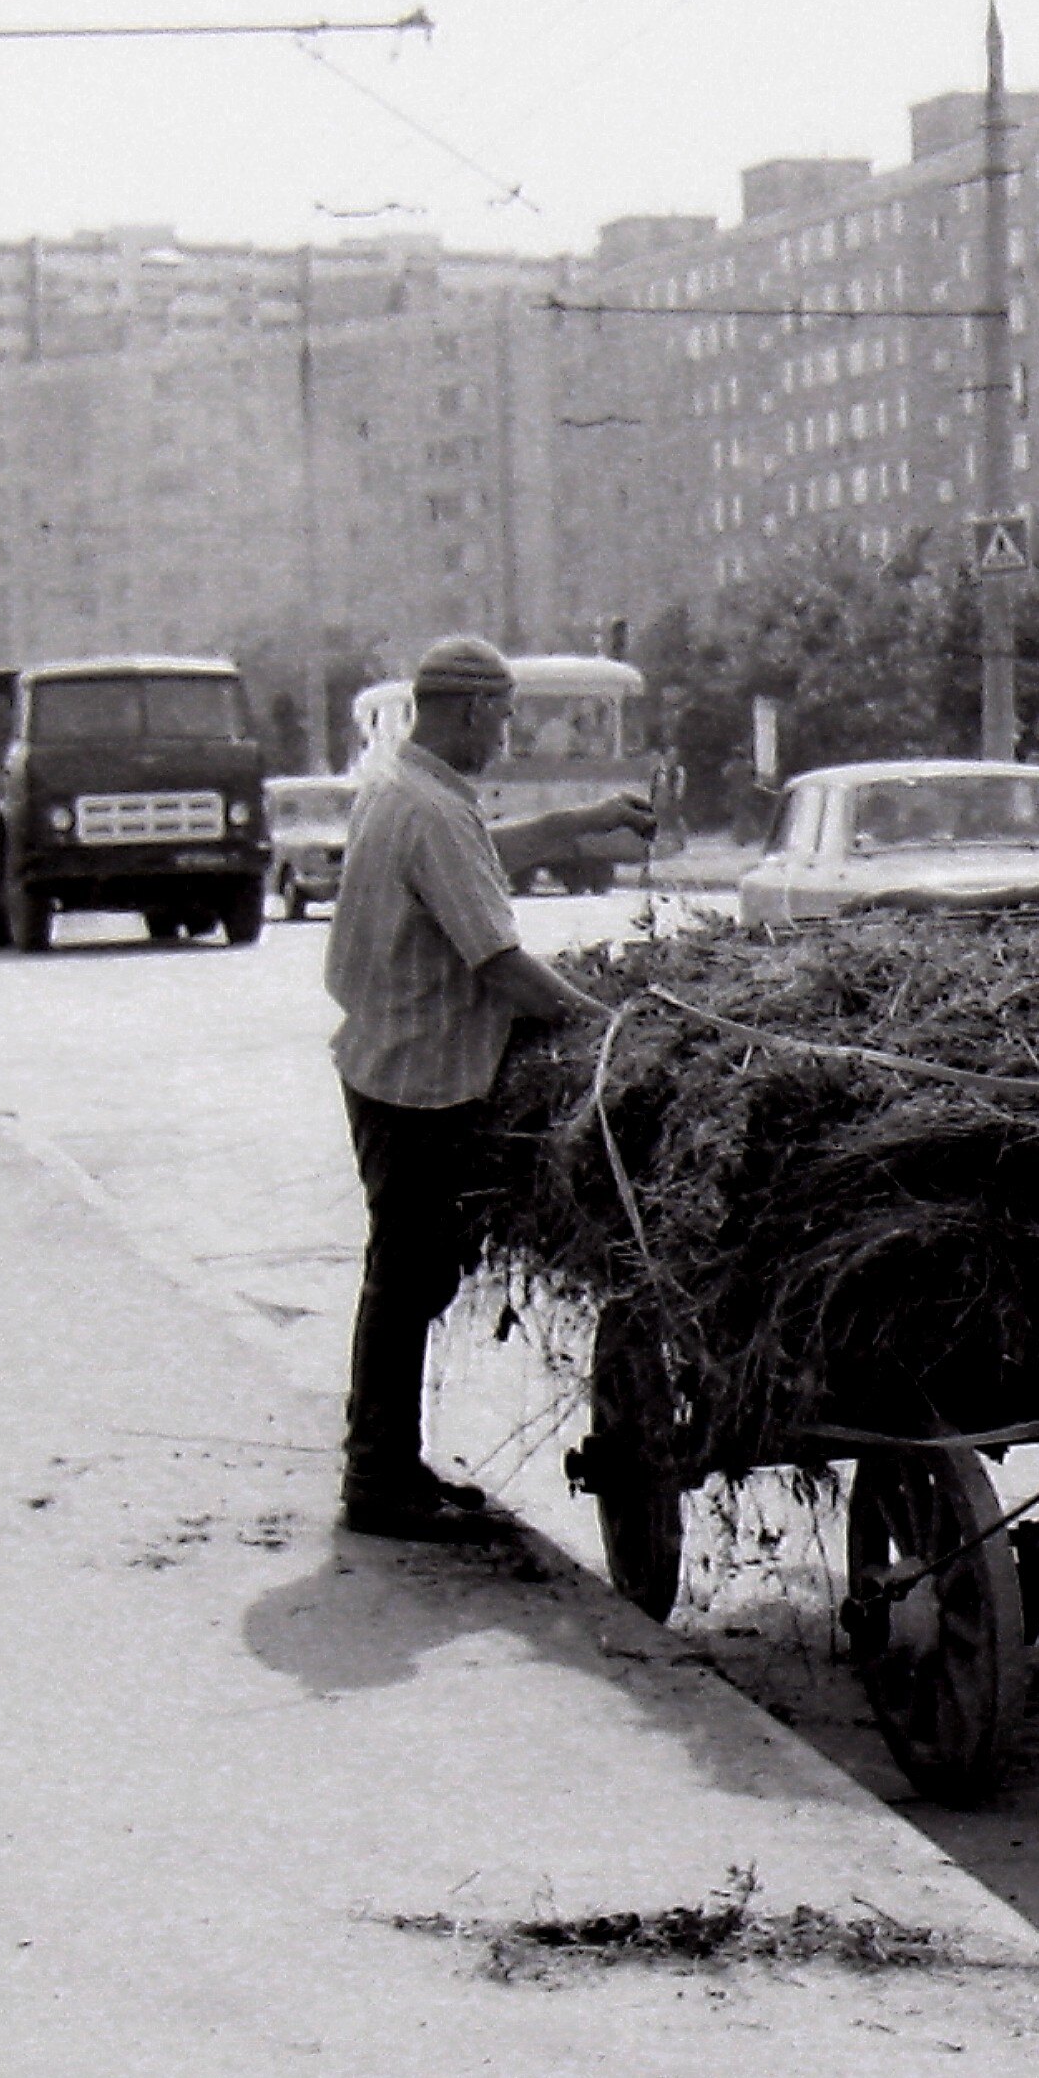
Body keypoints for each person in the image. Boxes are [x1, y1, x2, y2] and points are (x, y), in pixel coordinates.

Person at [325, 636, 657, 1541]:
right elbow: (502, 963)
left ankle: (383, 1465)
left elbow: (477, 853)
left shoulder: (406, 789)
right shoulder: (429, 811)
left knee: (406, 1275)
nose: (505, 735)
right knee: (407, 1278)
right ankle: (378, 1479)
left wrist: (582, 819)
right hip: (420, 1081)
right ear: (469, 710)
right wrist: (608, 1025)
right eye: (503, 716)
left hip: (387, 1062)